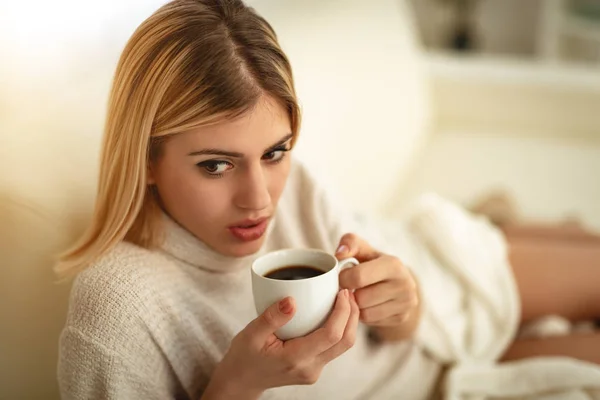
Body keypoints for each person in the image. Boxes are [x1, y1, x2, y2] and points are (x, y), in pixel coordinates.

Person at [56, 1, 600, 399]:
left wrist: (403, 306)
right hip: (442, 384)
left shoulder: (298, 189)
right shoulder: (118, 312)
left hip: (442, 296)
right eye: (215, 166)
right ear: (147, 159)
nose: (259, 200)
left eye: (274, 152)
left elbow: (392, 329)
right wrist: (238, 386)